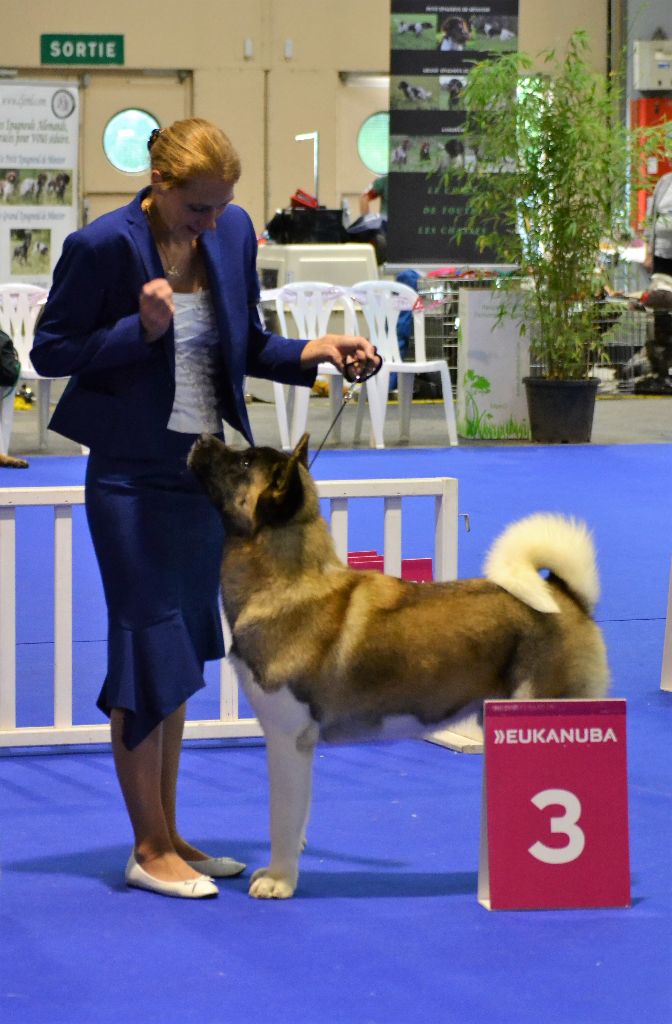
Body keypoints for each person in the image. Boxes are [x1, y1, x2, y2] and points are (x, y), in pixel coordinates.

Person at [30, 118, 380, 900]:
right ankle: (147, 847)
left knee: (182, 654)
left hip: (202, 479)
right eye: (198, 210)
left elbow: (246, 345)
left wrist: (313, 352)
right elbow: (48, 351)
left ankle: (171, 832)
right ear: (159, 188)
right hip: (127, 477)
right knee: (143, 649)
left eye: (223, 207)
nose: (213, 223)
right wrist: (139, 329)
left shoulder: (232, 235)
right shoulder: (101, 247)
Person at [644, 171, 672, 277]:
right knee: (660, 290)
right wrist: (648, 253)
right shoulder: (665, 181)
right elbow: (651, 216)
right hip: (659, 252)